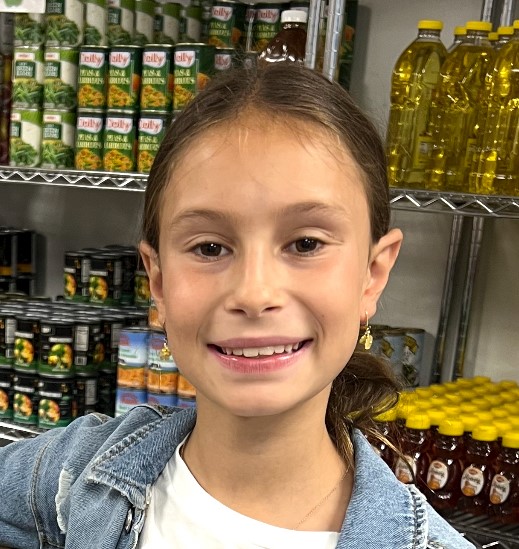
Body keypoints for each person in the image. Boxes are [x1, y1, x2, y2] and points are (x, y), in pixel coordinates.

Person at [0, 64, 474, 549]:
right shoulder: (74, 472)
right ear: (158, 280)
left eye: (306, 244)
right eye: (209, 248)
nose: (254, 293)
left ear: (372, 274)